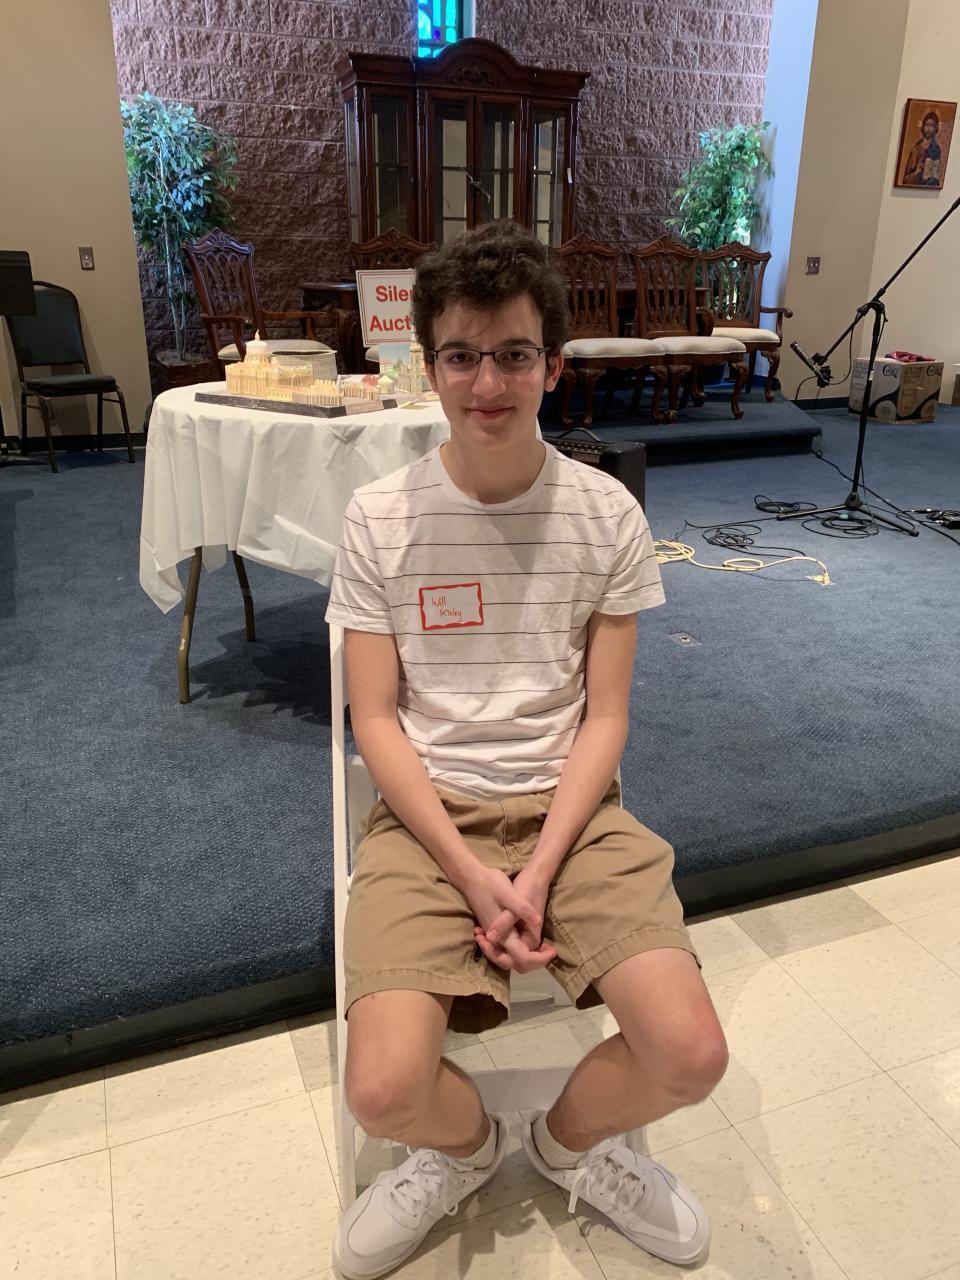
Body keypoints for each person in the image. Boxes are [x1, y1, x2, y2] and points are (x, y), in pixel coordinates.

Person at [325, 220, 728, 1280]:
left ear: (552, 363)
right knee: (383, 1090)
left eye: (512, 354)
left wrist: (538, 868)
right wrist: (473, 873)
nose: (487, 382)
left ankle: (565, 1145)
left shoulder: (606, 514)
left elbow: (605, 717)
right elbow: (376, 720)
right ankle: (462, 1152)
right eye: (461, 355)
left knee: (691, 1054)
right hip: (429, 816)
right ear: (428, 366)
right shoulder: (379, 517)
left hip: (573, 812)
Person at [903, 110, 943, 186]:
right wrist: (916, 173)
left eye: (932, 125)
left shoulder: (936, 150)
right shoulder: (916, 149)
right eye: (927, 125)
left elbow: (937, 176)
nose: (928, 128)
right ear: (923, 126)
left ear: (935, 128)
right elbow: (906, 179)